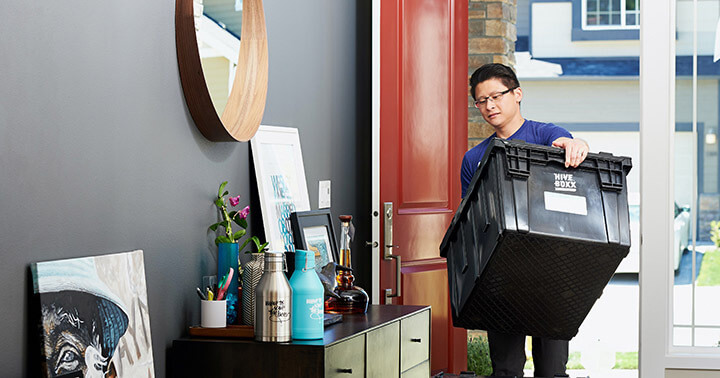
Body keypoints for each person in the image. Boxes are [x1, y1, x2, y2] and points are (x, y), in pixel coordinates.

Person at [461, 63, 589, 377]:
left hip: (553, 275)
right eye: (481, 100)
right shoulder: (474, 158)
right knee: (505, 370)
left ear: (517, 94)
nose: (489, 106)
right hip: (501, 277)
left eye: (496, 96)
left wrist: (576, 145)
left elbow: (567, 143)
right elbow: (470, 220)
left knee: (552, 370)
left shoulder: (545, 135)